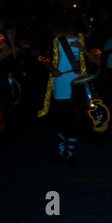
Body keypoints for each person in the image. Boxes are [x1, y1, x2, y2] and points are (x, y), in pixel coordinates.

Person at [38, 13, 101, 165]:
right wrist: (52, 68)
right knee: (60, 120)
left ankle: (70, 153)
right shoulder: (55, 41)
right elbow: (42, 59)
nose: (71, 26)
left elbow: (98, 61)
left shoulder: (86, 41)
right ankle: (61, 152)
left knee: (76, 120)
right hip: (60, 86)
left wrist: (82, 49)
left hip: (80, 86)